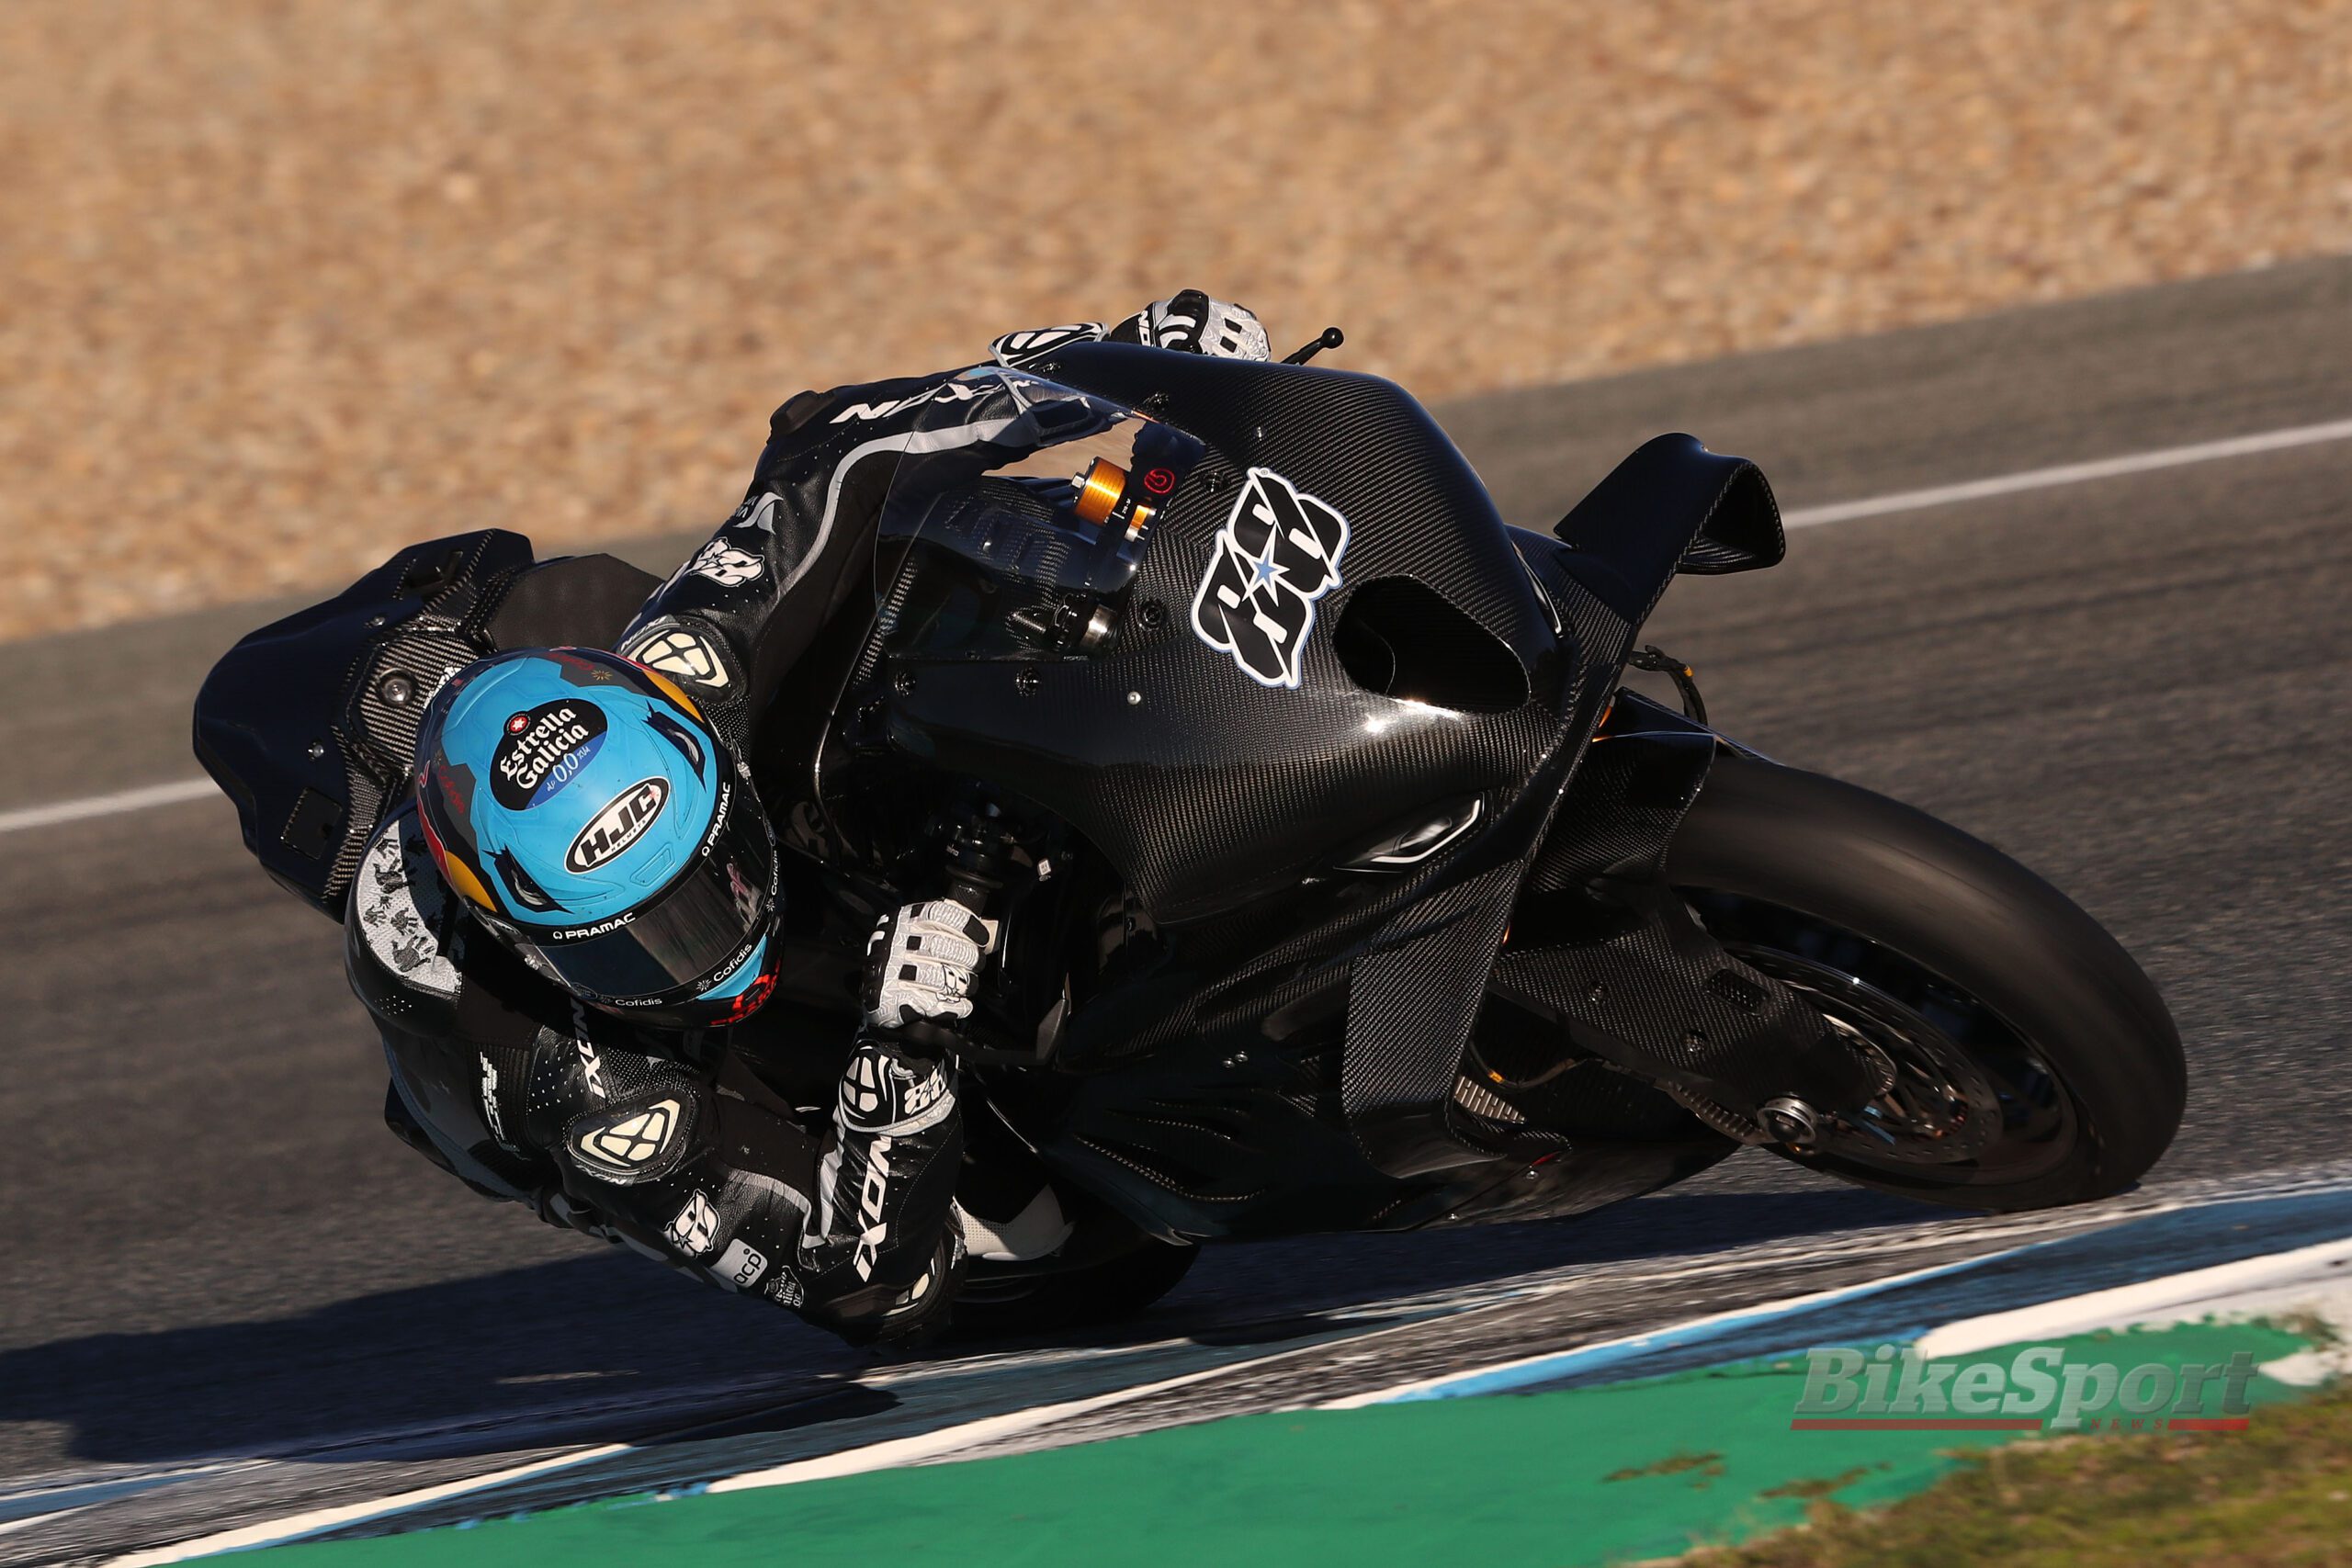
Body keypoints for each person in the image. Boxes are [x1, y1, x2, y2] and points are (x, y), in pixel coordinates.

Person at [345, 294, 1272, 1345]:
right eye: (636, 943)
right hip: (671, 1077)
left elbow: (833, 449)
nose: (712, 946)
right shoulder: (581, 1088)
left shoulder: (692, 665)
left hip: (669, 731)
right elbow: (864, 1290)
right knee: (1062, 1249)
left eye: (709, 885)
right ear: (529, 945)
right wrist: (902, 1053)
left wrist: (1104, 374)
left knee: (945, 568)